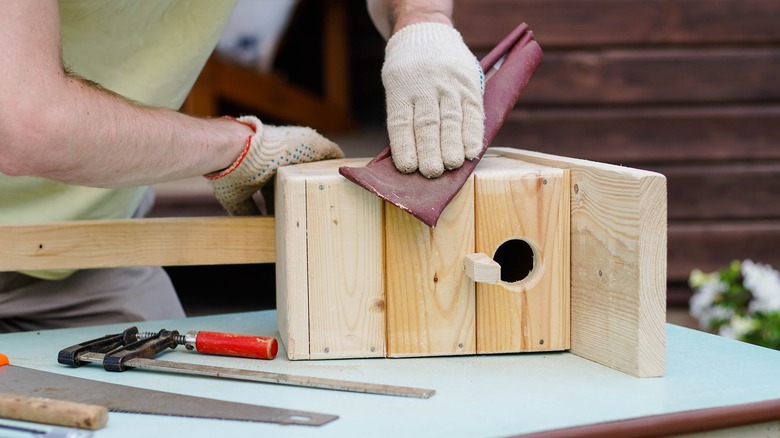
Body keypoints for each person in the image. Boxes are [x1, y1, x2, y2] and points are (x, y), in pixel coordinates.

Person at [0, 0, 485, 332]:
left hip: (86, 247)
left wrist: (423, 23)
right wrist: (237, 147)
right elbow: (26, 125)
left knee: (180, 406)